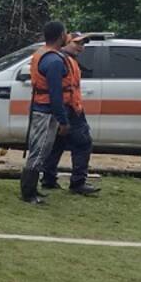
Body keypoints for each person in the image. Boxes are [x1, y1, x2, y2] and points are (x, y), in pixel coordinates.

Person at [20, 20, 72, 204]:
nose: (68, 35)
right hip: (47, 111)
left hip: (42, 108)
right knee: (40, 151)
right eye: (66, 32)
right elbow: (56, 93)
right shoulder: (54, 60)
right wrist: (63, 120)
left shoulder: (42, 54)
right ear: (60, 36)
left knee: (39, 150)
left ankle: (31, 189)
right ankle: (28, 193)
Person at [41, 33, 100, 196]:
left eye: (83, 44)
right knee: (83, 143)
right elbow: (57, 90)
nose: (81, 47)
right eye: (78, 43)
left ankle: (48, 179)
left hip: (68, 108)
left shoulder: (64, 60)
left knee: (57, 143)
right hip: (68, 109)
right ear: (66, 43)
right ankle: (77, 183)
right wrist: (63, 116)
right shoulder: (61, 61)